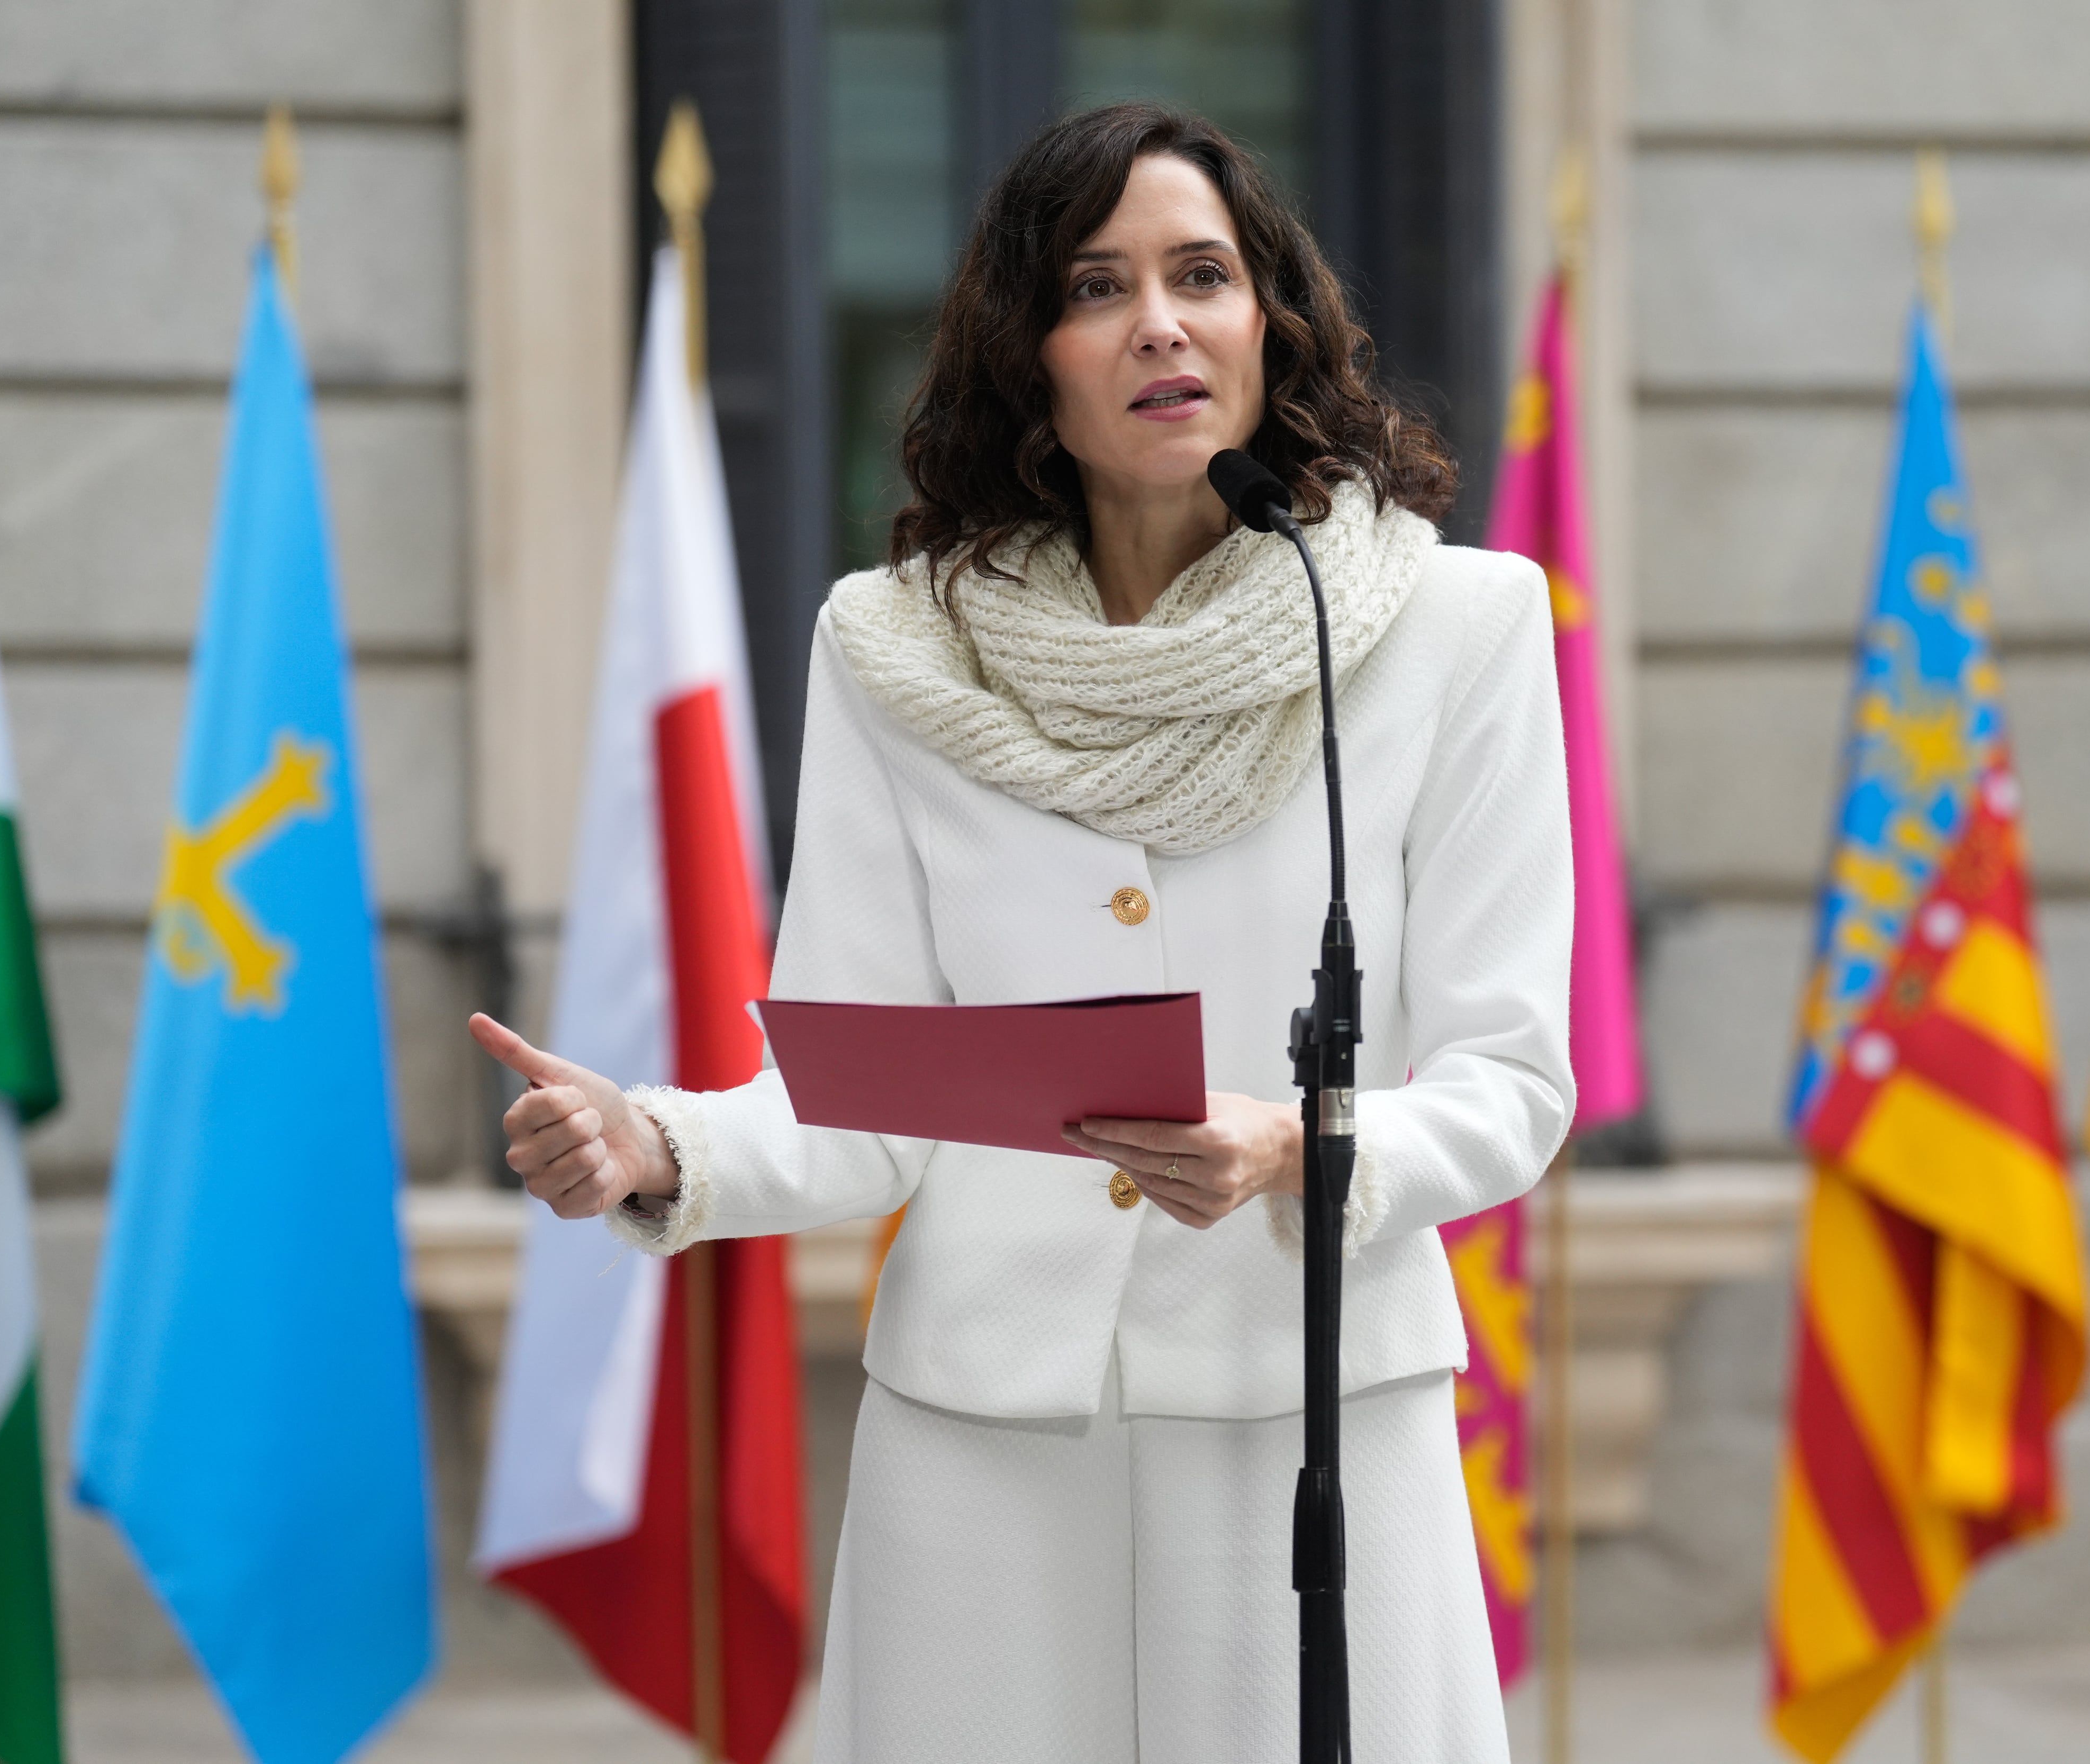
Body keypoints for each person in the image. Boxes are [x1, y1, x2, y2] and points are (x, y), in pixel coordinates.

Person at [471, 102, 1572, 1764]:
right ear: (1031, 359)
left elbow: (1513, 1080)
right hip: (982, 1451)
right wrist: (655, 1145)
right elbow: (865, 1087)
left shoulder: (1455, 626)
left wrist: (1294, 1148)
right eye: (1096, 286)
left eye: (1202, 274)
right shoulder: (892, 648)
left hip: (1303, 1425)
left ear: (1270, 325)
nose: (1159, 323)